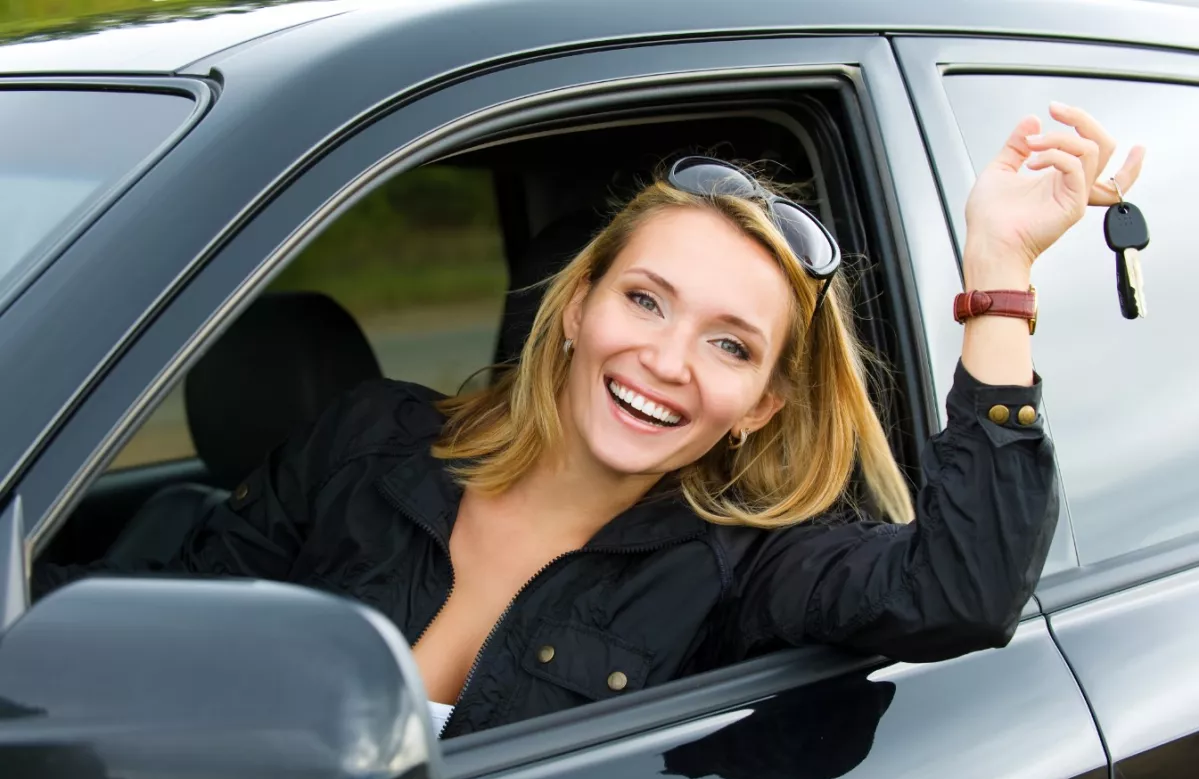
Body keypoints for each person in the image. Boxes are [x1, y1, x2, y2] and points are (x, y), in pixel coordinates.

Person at [36, 104, 1144, 740]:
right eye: (644, 301)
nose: (664, 361)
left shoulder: (747, 568)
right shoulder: (367, 445)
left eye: (729, 345)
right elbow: (158, 636)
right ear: (574, 309)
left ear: (760, 406)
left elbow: (963, 588)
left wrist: (998, 274)